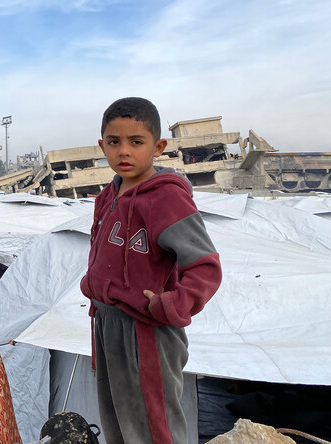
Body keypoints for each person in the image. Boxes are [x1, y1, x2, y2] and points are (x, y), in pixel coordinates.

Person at [80, 97, 222, 444]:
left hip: (147, 329)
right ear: (102, 146)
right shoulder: (106, 196)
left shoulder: (167, 198)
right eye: (114, 142)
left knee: (152, 426)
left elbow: (205, 267)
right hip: (108, 324)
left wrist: (169, 306)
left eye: (136, 142)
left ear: (158, 147)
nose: (123, 152)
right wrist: (96, 288)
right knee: (117, 420)